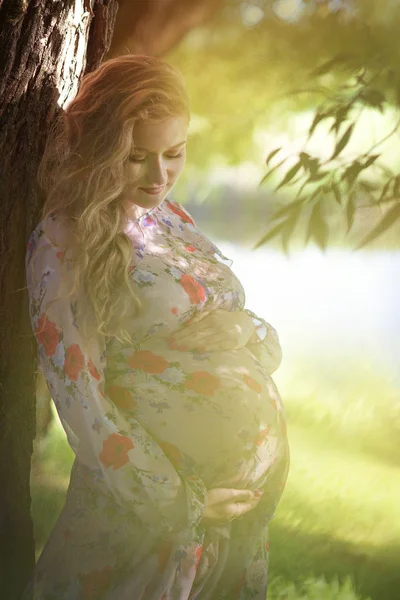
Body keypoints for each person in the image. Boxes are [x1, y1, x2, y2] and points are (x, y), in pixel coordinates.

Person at [24, 54, 290, 600]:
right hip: (143, 519)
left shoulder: (172, 220)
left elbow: (243, 328)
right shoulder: (64, 241)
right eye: (136, 157)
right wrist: (182, 503)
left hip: (228, 524)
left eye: (175, 153)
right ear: (100, 149)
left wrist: (246, 333)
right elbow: (80, 396)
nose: (159, 176)